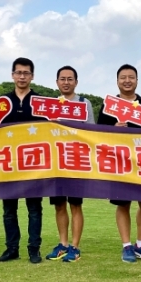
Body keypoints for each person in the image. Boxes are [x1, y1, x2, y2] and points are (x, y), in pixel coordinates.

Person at [97, 63, 141, 263]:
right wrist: (113, 129)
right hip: (120, 163)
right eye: (123, 77)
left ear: (137, 80)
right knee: (123, 203)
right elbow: (97, 136)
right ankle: (126, 246)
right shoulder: (109, 106)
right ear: (117, 81)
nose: (127, 81)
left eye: (131, 77)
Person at [45, 65, 95, 263]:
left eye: (70, 79)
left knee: (75, 204)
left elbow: (92, 133)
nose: (66, 82)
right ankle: (63, 244)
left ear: (76, 82)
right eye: (62, 79)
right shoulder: (49, 105)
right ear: (57, 82)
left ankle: (75, 246)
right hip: (56, 163)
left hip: (76, 162)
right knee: (59, 205)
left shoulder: (84, 103)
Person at [0, 57, 45, 264]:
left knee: (34, 209)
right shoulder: (2, 102)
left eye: (26, 73)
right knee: (9, 209)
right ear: (12, 75)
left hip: (34, 163)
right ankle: (12, 248)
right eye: (18, 72)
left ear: (32, 76)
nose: (22, 76)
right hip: (8, 163)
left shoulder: (41, 102)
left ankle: (34, 249)